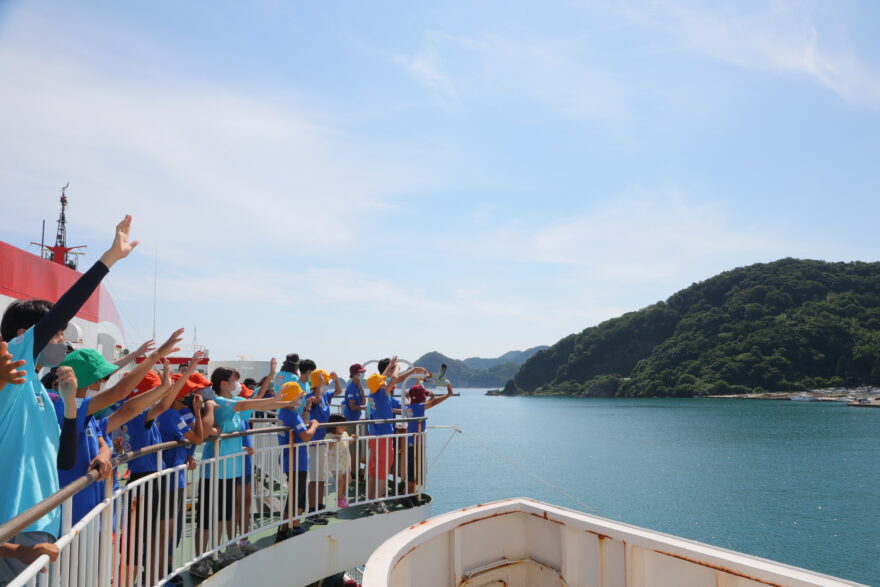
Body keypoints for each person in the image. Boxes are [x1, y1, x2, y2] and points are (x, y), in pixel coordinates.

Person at [0, 214, 137, 584]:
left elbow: (65, 458)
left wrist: (71, 404)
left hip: (44, 515)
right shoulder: (14, 365)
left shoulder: (38, 394)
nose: (62, 341)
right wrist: (108, 260)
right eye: (57, 335)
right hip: (12, 522)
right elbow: (63, 309)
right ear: (25, 336)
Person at [189, 367, 294, 578]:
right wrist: (280, 398)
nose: (237, 384)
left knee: (224, 516)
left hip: (231, 469)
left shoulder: (234, 408)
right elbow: (249, 403)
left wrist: (284, 402)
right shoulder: (221, 402)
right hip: (215, 470)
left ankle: (218, 553)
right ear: (223, 383)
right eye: (233, 380)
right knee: (208, 518)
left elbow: (256, 404)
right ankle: (200, 560)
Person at [364, 357, 428, 513]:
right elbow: (393, 379)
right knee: (382, 468)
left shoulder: (375, 393)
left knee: (373, 468)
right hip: (383, 437)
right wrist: (397, 367)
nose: (387, 382)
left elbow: (388, 379)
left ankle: (371, 497)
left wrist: (392, 367)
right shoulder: (381, 393)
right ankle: (378, 501)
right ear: (381, 384)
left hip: (374, 436)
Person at [274, 381, 319, 544]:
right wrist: (314, 425)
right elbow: (306, 435)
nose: (301, 397)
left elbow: (300, 425)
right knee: (296, 495)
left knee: (297, 494)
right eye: (299, 396)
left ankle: (287, 528)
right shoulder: (291, 413)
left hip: (291, 459)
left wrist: (307, 408)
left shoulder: (285, 412)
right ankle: (292, 527)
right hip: (295, 460)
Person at [304, 368, 342, 524]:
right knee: (315, 478)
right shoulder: (312, 397)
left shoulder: (325, 396)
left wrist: (336, 379)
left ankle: (320, 507)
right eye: (325, 381)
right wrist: (319, 383)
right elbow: (317, 399)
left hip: (323, 442)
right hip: (314, 443)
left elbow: (338, 391)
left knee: (321, 478)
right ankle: (312, 511)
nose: (327, 384)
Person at [326, 414, 354, 509]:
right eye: (341, 425)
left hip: (344, 461)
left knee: (348, 480)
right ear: (334, 425)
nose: (344, 427)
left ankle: (341, 495)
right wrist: (333, 440)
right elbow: (327, 447)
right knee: (340, 480)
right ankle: (339, 499)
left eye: (344, 424)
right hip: (334, 462)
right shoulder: (329, 435)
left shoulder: (344, 434)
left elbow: (348, 441)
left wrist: (353, 438)